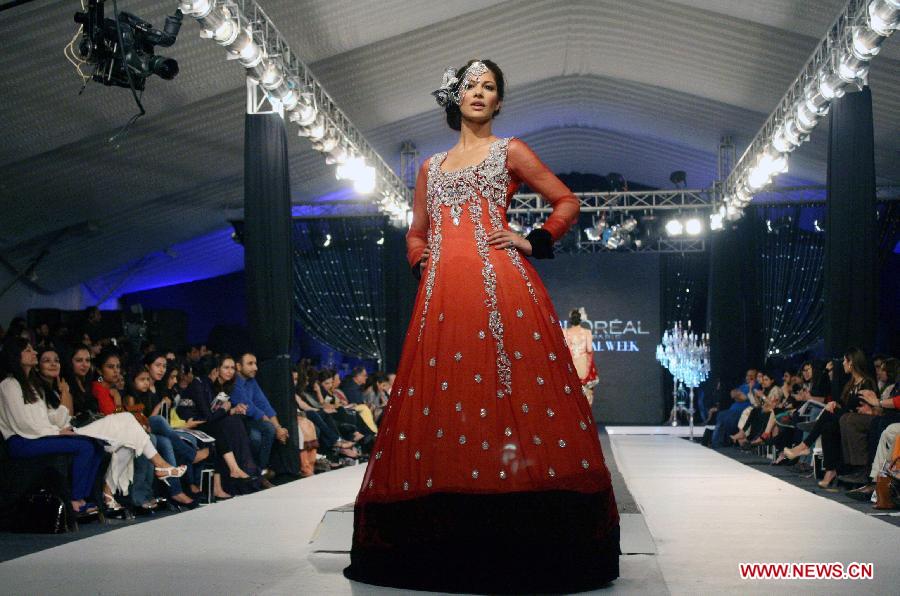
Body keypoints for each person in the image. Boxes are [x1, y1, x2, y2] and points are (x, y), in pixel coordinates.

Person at [345, 59, 619, 593]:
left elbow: (567, 200)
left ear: (498, 102)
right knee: (448, 402)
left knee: (510, 393)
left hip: (503, 286)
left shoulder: (510, 151)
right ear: (455, 97)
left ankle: (521, 522)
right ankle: (448, 525)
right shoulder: (430, 167)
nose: (480, 92)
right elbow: (416, 233)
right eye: (471, 85)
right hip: (444, 297)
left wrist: (533, 240)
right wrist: (430, 263)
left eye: (490, 87)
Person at [231, 352, 289, 479]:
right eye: (250, 364)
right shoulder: (234, 382)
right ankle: (255, 471)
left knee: (270, 429)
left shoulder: (251, 381)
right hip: (237, 420)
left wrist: (278, 427)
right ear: (239, 366)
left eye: (255, 364)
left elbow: (264, 405)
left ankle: (260, 472)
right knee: (259, 435)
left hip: (252, 420)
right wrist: (276, 428)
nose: (255, 368)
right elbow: (250, 408)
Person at [564, 307, 597, 405]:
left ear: (570, 320)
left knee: (571, 393)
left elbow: (565, 350)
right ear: (580, 319)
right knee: (586, 393)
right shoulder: (587, 332)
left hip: (570, 365)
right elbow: (590, 349)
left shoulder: (565, 332)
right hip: (583, 364)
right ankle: (585, 418)